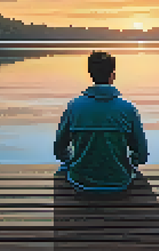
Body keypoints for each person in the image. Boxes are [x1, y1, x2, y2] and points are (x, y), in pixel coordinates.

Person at [53, 50, 149, 195]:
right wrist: (130, 163)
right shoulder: (128, 109)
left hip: (80, 182)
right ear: (113, 75)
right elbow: (141, 155)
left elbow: (59, 149)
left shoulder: (74, 106)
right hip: (119, 182)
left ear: (90, 74)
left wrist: (71, 160)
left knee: (63, 169)